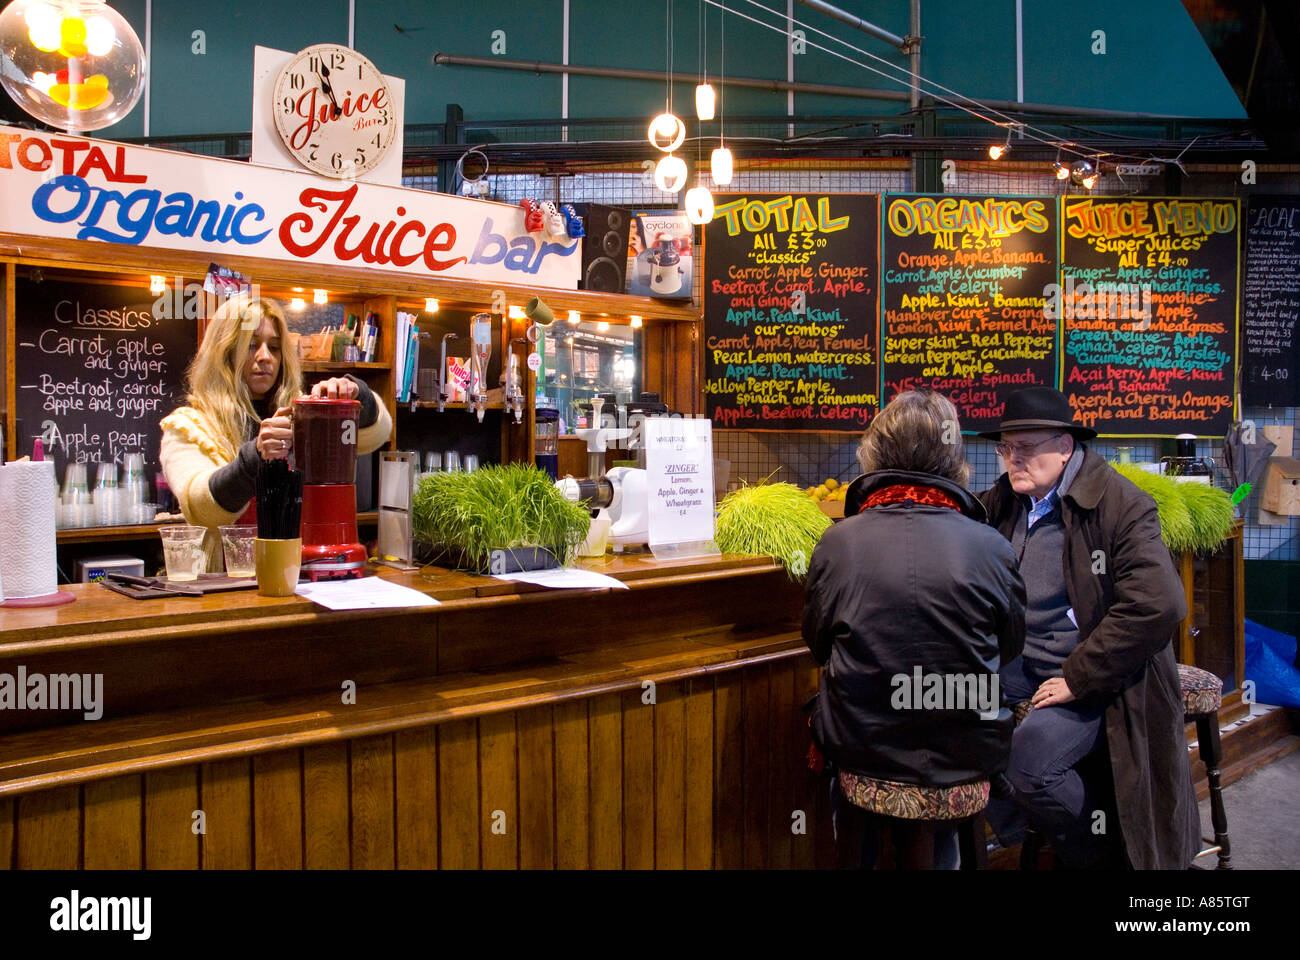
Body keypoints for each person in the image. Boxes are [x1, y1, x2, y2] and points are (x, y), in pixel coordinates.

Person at [978, 386, 1199, 869]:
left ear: (1065, 446)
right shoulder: (1004, 502)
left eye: (1026, 448)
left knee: (1028, 762)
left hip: (1102, 673)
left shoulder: (1120, 504)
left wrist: (1080, 677)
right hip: (1024, 659)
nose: (1013, 459)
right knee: (942, 706)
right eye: (1006, 448)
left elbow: (1159, 604)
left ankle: (1103, 856)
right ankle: (1017, 831)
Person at [803, 390, 1026, 869]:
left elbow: (817, 645)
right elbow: (1010, 648)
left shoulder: (839, 542)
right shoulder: (991, 545)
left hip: (864, 749)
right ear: (955, 459)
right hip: (969, 750)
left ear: (874, 453)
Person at [159, 296, 392, 570]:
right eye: (251, 346)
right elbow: (199, 505)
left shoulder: (303, 415)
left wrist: (356, 394)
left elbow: (378, 433)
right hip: (232, 583)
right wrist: (255, 458)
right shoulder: (190, 426)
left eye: (275, 347)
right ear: (224, 352)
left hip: (305, 572)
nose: (265, 357)